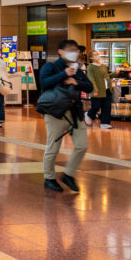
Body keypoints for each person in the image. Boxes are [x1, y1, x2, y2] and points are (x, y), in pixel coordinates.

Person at [40, 39, 92, 193]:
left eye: (76, 50)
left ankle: (68, 174)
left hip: (74, 111)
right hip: (56, 112)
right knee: (53, 146)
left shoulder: (78, 70)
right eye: (70, 49)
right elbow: (44, 83)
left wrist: (76, 81)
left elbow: (89, 87)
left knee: (82, 145)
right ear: (61, 52)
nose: (74, 52)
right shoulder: (51, 66)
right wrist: (63, 75)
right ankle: (49, 178)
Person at [85, 50, 113, 129]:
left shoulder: (103, 66)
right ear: (91, 57)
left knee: (107, 107)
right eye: (95, 54)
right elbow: (91, 79)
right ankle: (89, 114)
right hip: (97, 90)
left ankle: (105, 123)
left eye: (97, 54)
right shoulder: (90, 67)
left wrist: (114, 73)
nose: (97, 55)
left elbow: (107, 76)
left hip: (106, 89)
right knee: (96, 106)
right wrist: (95, 90)